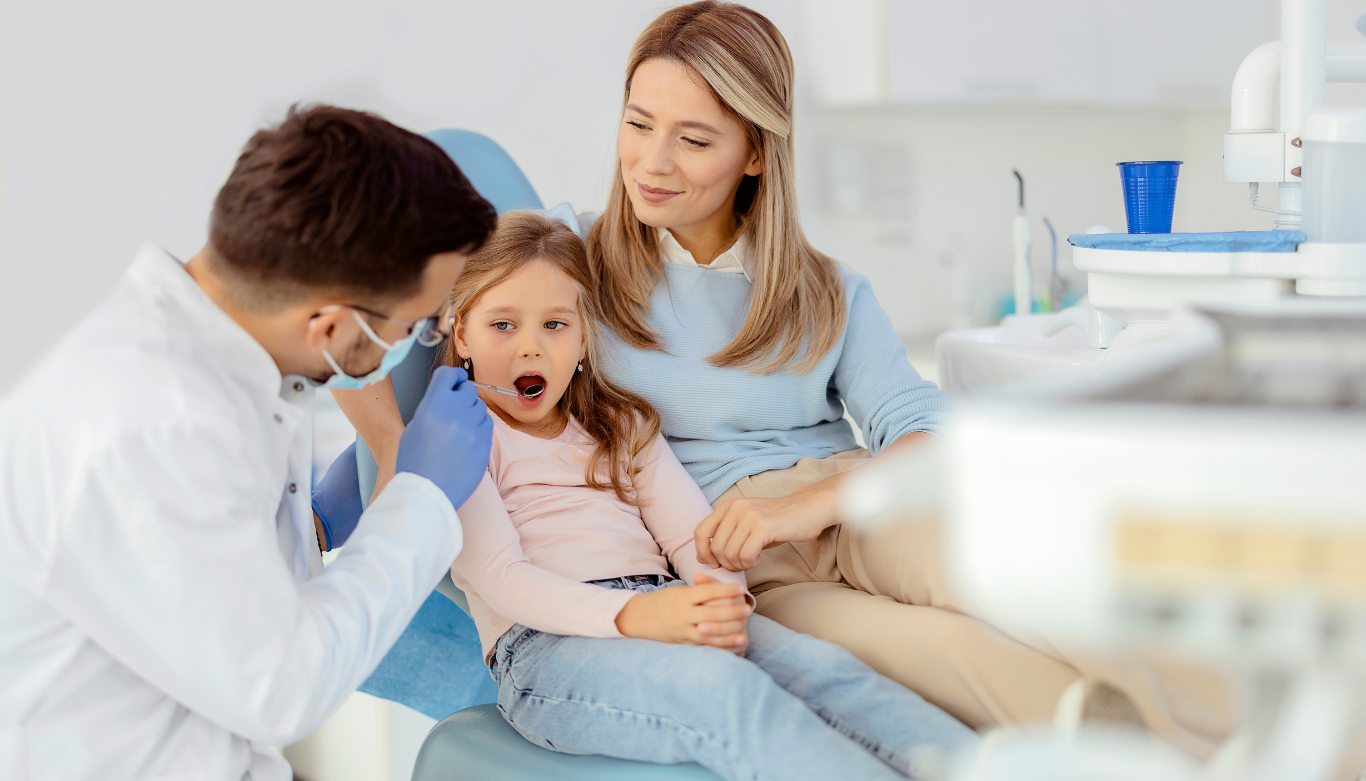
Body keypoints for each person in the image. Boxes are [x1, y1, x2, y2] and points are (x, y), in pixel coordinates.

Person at [341, 1, 1233, 755]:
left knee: (1026, 576)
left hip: (853, 502)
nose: (652, 162)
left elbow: (930, 430)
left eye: (693, 139)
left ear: (756, 154)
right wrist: (356, 475)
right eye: (637, 124)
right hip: (736, 555)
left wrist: (810, 505)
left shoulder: (824, 287)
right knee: (933, 656)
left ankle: (1268, 728)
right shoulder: (569, 264)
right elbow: (406, 326)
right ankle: (1146, 756)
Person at [0, 105, 498, 781]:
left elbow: (216, 579)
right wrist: (421, 497)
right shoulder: (149, 426)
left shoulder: (230, 360)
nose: (422, 341)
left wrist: (314, 524)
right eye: (417, 325)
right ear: (326, 324)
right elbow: (282, 687)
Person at [430, 210, 979, 780]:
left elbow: (693, 536)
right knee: (723, 691)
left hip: (663, 605)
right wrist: (639, 615)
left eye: (555, 325)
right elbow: (502, 578)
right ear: (461, 332)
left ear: (585, 339)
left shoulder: (622, 425)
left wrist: (722, 604)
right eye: (502, 325)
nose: (531, 349)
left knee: (824, 668)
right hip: (547, 648)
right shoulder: (458, 436)